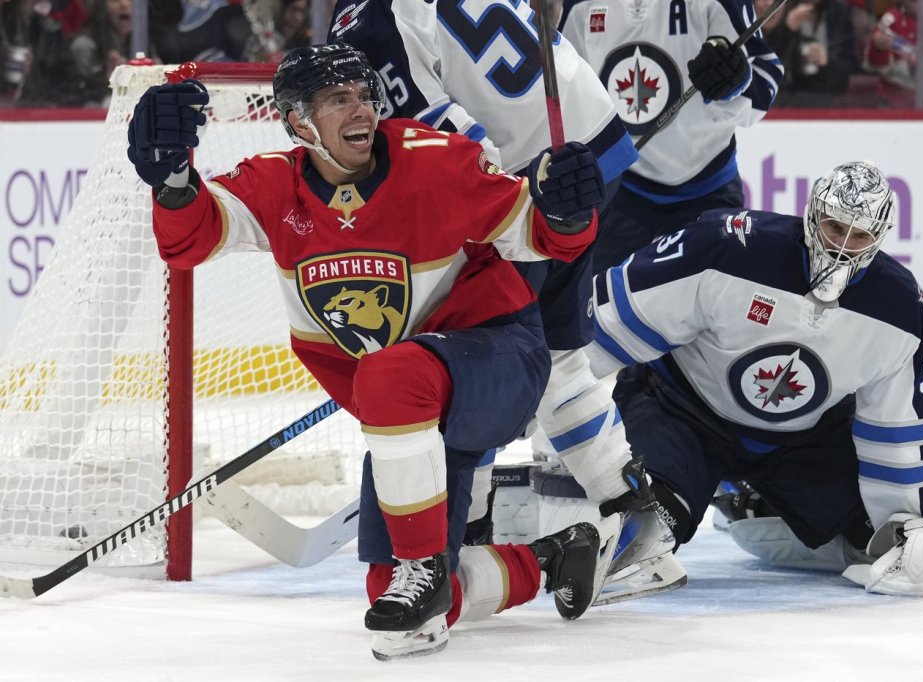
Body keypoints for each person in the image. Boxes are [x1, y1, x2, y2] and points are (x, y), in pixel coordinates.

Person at [126, 43, 614, 661]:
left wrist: (567, 211)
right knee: (396, 603)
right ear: (299, 122)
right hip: (407, 412)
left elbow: (545, 236)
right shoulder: (274, 185)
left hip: (498, 363)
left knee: (389, 375)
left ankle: (422, 567)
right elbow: (191, 239)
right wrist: (174, 181)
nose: (361, 109)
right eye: (338, 99)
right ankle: (551, 560)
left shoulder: (435, 161)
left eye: (364, 94)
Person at [328, 0, 686, 604]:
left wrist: (498, 206)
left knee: (474, 355)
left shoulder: (368, 18)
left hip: (527, 187)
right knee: (557, 357)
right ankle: (638, 519)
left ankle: (469, 531)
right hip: (590, 153)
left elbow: (438, 138)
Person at [583, 160, 923, 598]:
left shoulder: (902, 311)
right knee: (640, 535)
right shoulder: (726, 246)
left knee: (878, 542)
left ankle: (752, 501)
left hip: (800, 441)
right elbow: (609, 321)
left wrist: (911, 521)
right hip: (680, 413)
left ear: (879, 238)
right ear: (813, 214)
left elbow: (898, 426)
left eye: (860, 236)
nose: (843, 248)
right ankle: (708, 488)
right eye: (835, 227)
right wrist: (557, 405)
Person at [558, 0, 783, 273]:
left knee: (718, 294)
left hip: (708, 186)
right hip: (620, 188)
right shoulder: (581, 5)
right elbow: (562, 90)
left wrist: (737, 81)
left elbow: (765, 76)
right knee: (594, 294)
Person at [758, 0, 857, 107]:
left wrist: (827, 62)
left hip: (802, 105)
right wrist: (787, 29)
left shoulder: (837, 12)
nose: (768, 3)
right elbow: (763, 72)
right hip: (769, 103)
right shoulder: (784, 16)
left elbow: (843, 77)